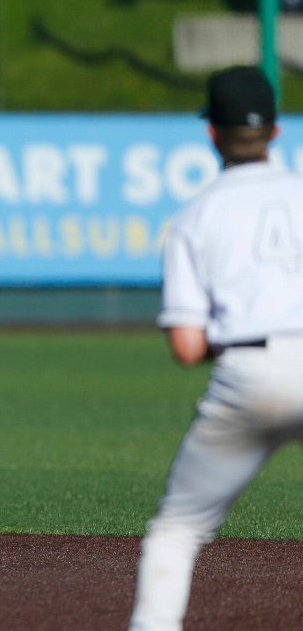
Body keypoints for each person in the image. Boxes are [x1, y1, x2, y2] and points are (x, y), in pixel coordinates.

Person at [129, 66, 303, 628]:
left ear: (211, 134)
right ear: (276, 132)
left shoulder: (194, 217)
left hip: (248, 373)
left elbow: (186, 346)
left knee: (178, 530)